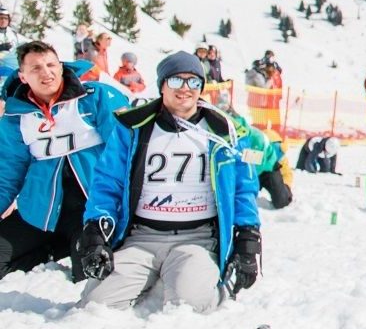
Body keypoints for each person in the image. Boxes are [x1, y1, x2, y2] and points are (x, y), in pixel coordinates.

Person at [76, 51, 261, 311]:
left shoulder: (224, 133)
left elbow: (243, 191)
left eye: (193, 82)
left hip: (197, 238)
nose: (185, 89)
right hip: (142, 237)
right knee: (96, 305)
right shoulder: (134, 127)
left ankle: (185, 278)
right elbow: (107, 183)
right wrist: (95, 231)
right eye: (176, 81)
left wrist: (248, 241)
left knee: (191, 306)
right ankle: (159, 276)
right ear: (162, 84)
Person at [0, 41, 131, 278]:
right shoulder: (16, 118)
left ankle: (73, 249)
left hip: (91, 212)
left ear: (61, 67)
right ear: (22, 76)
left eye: (51, 65)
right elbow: (8, 174)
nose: (46, 72)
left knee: (91, 276)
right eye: (36, 68)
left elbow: (128, 154)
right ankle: (51, 252)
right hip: (39, 213)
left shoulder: (95, 98)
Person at [230, 112, 294, 209]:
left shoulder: (268, 145)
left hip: (267, 169)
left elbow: (286, 170)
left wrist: (287, 185)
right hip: (253, 168)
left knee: (281, 201)